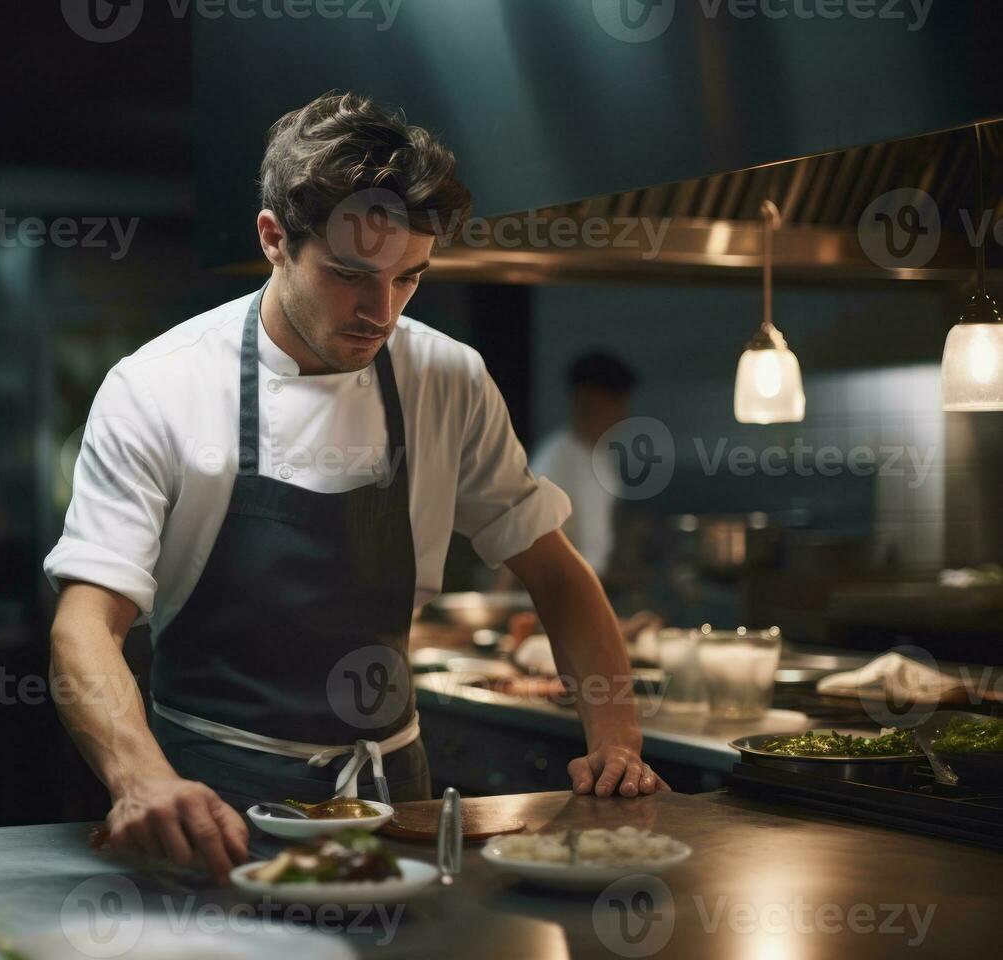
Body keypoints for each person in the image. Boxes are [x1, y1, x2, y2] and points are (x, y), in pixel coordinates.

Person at [44, 91, 668, 885]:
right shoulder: (159, 388)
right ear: (273, 239)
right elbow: (83, 626)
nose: (382, 313)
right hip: (207, 805)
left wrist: (615, 740)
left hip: (391, 803)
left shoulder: (446, 377)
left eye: (410, 277)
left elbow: (554, 570)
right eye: (350, 276)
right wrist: (139, 777)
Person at [528, 352, 636, 576]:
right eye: (616, 400)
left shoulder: (602, 456)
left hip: (594, 580)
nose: (624, 412)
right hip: (560, 583)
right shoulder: (556, 458)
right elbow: (532, 539)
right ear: (588, 398)